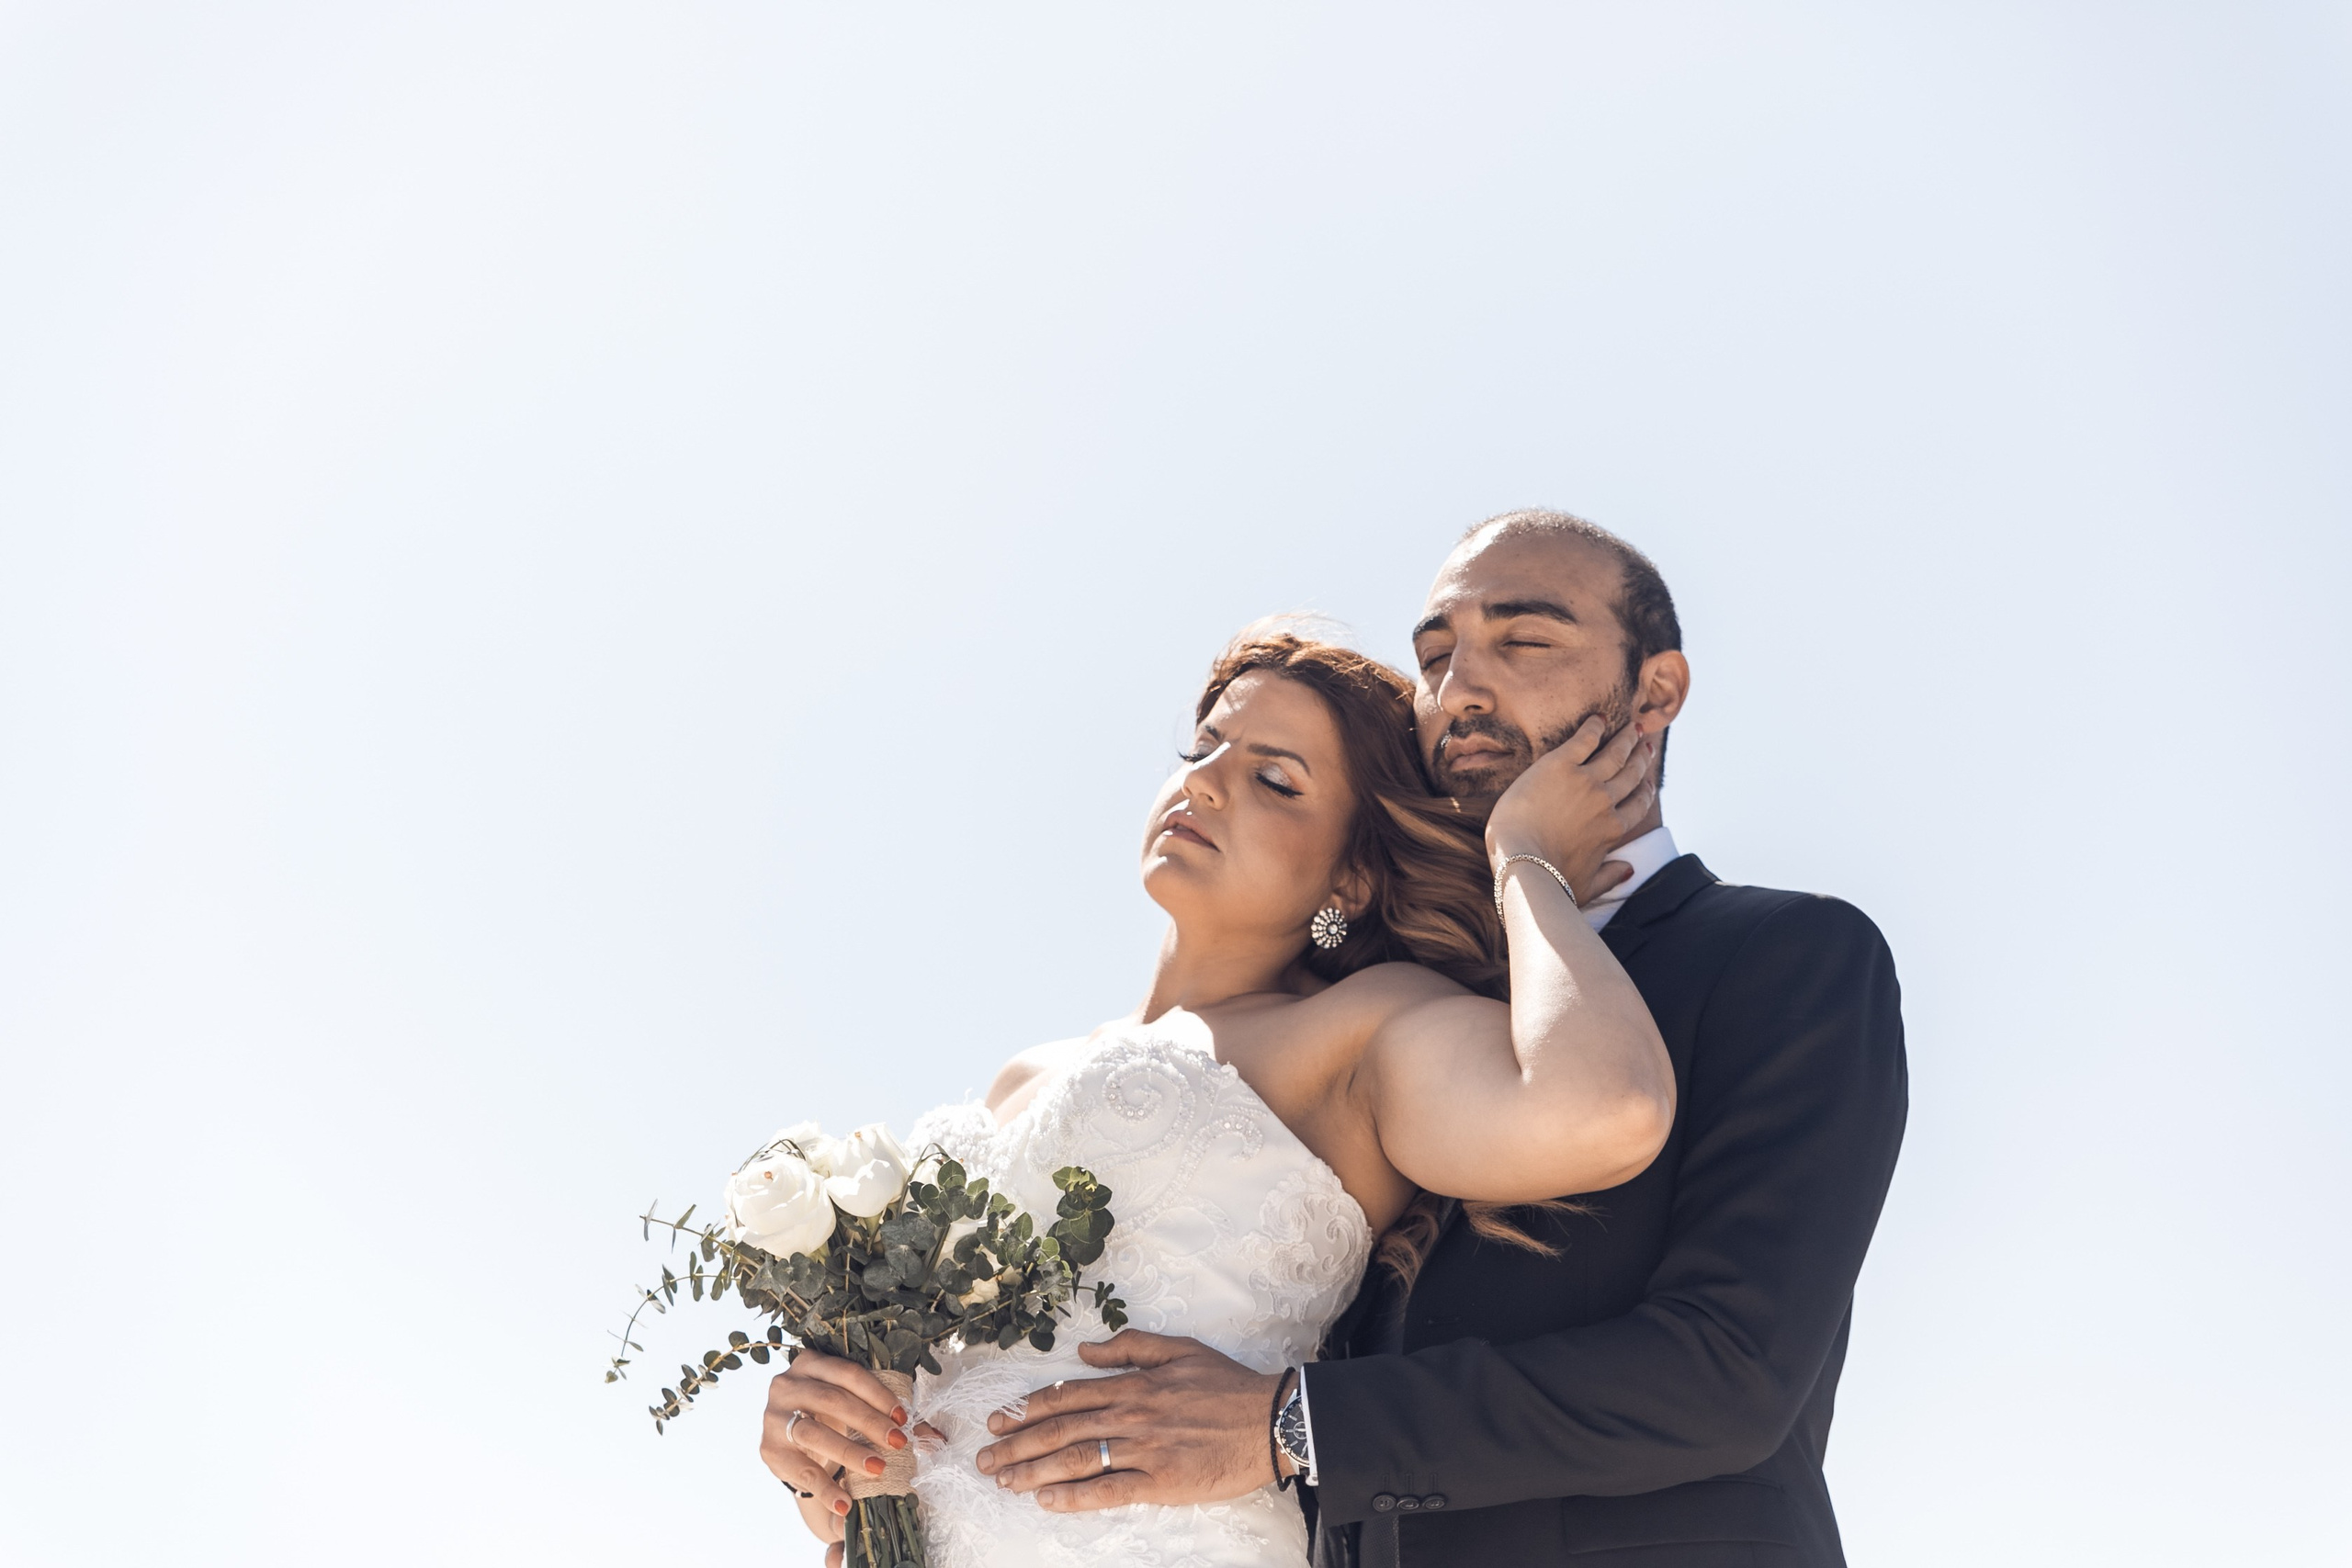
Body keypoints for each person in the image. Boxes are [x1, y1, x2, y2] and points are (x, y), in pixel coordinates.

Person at [955, 511, 1908, 1567]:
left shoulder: (1786, 955)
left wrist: (1290, 1426)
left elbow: (1725, 1377)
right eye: (1435, 657)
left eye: (1524, 641)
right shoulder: (1372, 1009)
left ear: (1655, 692)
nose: (1460, 691)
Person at [759, 618, 1680, 1568]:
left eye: (1274, 779)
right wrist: (823, 1449)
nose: (1201, 782)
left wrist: (1521, 855)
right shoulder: (1018, 1077)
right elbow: (913, 1428)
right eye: (1202, 750)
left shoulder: (1359, 1034)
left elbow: (1608, 1109)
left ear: (1353, 877)